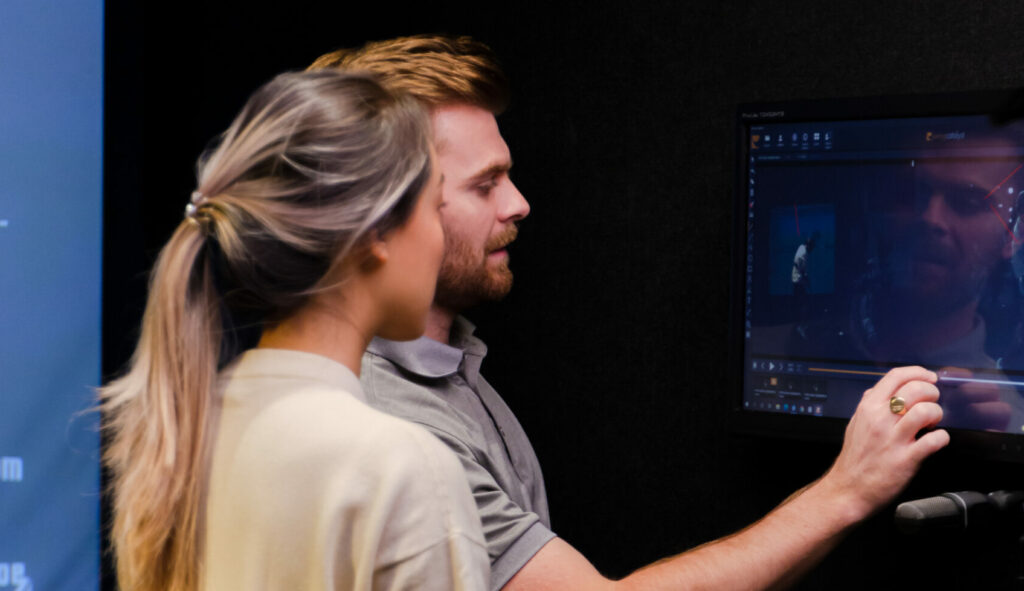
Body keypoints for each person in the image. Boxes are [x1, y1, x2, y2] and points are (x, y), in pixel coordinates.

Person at [311, 35, 949, 590]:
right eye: (485, 184)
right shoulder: (395, 425)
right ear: (383, 212)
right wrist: (847, 490)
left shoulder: (447, 366)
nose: (519, 203)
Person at [100, 70, 488, 591]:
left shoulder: (178, 431)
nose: (439, 236)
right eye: (435, 206)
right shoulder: (404, 470)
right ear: (376, 231)